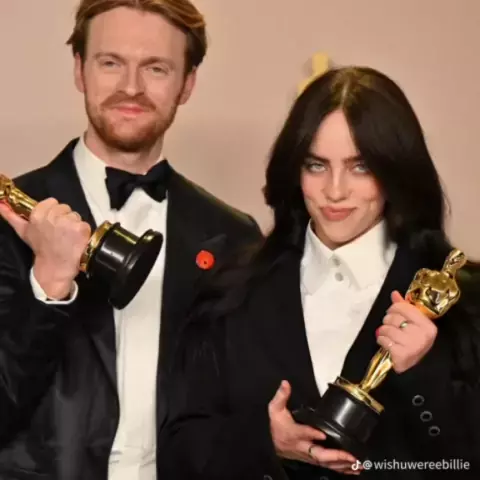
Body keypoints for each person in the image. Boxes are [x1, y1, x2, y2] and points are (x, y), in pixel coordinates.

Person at [157, 66, 480, 480]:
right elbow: (179, 450)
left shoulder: (463, 300)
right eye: (316, 165)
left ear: (395, 170)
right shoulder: (231, 292)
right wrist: (264, 442)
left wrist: (424, 375)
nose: (335, 190)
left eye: (360, 167)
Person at [0, 0, 262, 478]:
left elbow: (234, 406)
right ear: (79, 70)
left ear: (187, 83)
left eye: (156, 68)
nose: (131, 87)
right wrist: (49, 284)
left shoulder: (234, 236)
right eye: (111, 63)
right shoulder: (7, 217)